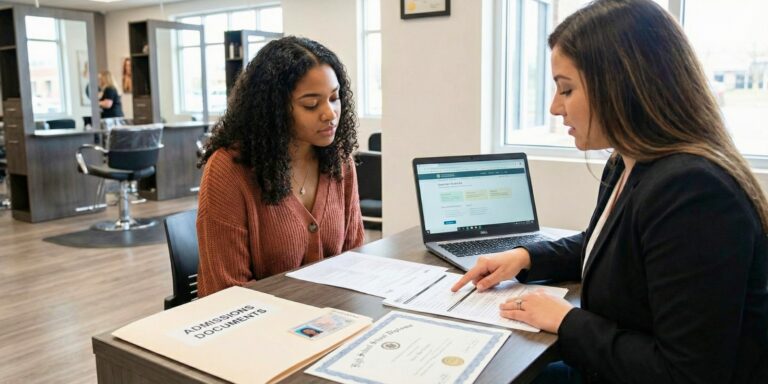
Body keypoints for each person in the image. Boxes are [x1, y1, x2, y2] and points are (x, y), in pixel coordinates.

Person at [452, 1, 768, 383]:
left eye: (566, 89)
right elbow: (607, 246)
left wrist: (566, 320)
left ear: (621, 85)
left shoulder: (694, 193)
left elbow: (687, 374)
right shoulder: (627, 162)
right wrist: (524, 257)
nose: (555, 108)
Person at [196, 36, 365, 297]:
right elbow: (227, 291)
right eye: (311, 104)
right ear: (273, 108)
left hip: (331, 319)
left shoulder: (338, 160)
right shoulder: (229, 169)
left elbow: (354, 258)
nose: (330, 113)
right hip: (255, 328)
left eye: (334, 98)